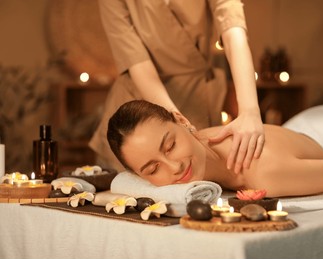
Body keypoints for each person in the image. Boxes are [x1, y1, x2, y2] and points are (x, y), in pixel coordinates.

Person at [90, 0, 264, 174]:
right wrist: (175, 121)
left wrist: (249, 110)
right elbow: (139, 65)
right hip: (139, 115)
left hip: (197, 102)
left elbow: (233, 29)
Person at [107, 100, 323, 198]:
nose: (175, 167)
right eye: (153, 169)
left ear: (182, 121)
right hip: (302, 128)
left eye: (170, 146)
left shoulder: (266, 172)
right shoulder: (194, 146)